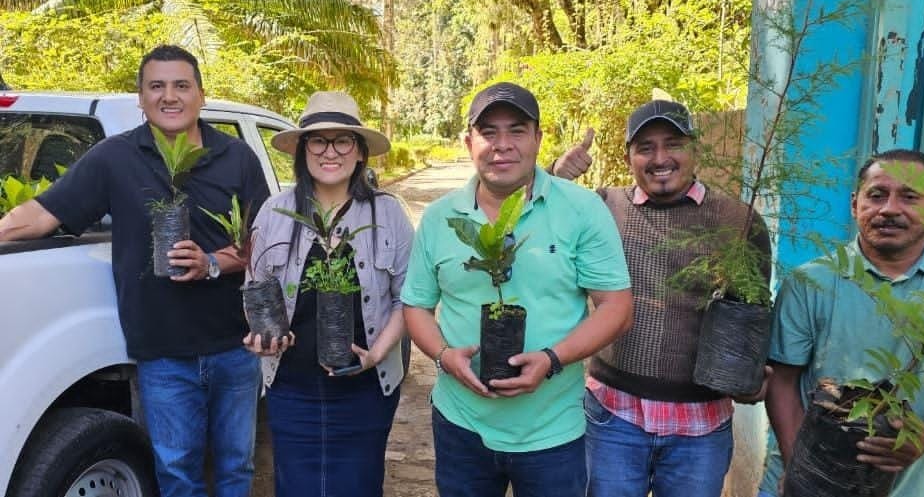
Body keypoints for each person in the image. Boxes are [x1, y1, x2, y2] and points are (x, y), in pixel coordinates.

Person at [0, 44, 269, 497]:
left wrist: (212, 264)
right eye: (156, 86)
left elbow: (260, 245)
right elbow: (43, 214)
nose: (170, 96)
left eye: (181, 85)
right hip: (162, 352)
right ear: (141, 98)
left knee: (235, 468)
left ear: (200, 95)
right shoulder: (115, 157)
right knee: (178, 472)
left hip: (233, 347)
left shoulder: (236, 157)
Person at [401, 82, 633, 497]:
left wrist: (552, 358)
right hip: (461, 424)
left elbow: (616, 306)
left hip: (552, 431)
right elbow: (416, 305)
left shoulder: (582, 210)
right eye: (489, 132)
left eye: (517, 130)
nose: (502, 145)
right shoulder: (440, 218)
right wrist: (442, 355)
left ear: (538, 139)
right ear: (469, 141)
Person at [758, 149, 924, 496]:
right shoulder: (810, 282)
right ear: (854, 204)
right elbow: (782, 383)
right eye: (876, 195)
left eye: (909, 196)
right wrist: (802, 471)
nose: (890, 208)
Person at [552, 99, 771, 497]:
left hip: (701, 424)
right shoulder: (602, 208)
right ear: (628, 157)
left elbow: (753, 316)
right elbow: (536, 242)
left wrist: (752, 375)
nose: (660, 158)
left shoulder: (738, 221)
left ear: (695, 150)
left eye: (673, 143)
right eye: (645, 147)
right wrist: (555, 181)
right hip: (612, 416)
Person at [243, 91, 413, 497]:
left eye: (343, 140)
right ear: (303, 151)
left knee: (359, 485)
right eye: (318, 140)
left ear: (359, 153)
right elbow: (255, 284)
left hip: (366, 388)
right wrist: (261, 335)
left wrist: (377, 354)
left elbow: (411, 299)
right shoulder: (275, 211)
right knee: (296, 486)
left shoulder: (387, 213)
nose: (330, 151)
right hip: (292, 385)